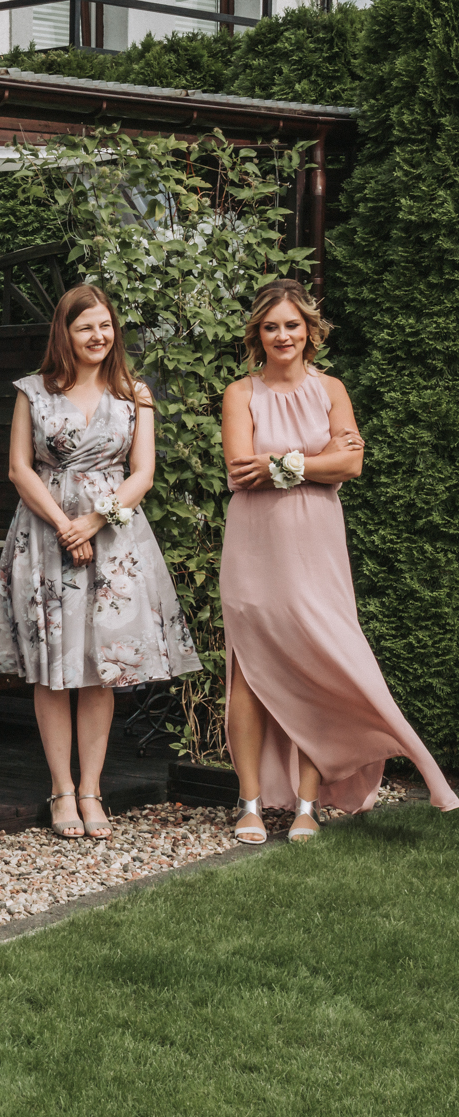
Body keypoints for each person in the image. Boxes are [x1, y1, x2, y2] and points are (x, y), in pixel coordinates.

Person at [220, 279, 458, 844]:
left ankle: (307, 805)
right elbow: (240, 470)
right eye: (272, 326)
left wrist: (281, 464)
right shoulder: (240, 392)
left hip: (316, 545)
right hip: (254, 547)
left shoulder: (331, 389)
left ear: (309, 330)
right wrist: (314, 460)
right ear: (258, 333)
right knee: (248, 672)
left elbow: (350, 466)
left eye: (293, 325)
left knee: (316, 667)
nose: (283, 336)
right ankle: (249, 803)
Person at [0, 285, 201, 839]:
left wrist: (95, 522)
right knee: (52, 669)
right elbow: (19, 469)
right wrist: (64, 525)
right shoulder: (32, 390)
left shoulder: (134, 394)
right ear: (65, 333)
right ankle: (61, 791)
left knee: (101, 668)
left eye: (105, 325)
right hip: (45, 533)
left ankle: (92, 790)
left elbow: (142, 473)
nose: (98, 336)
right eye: (85, 327)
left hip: (114, 539)